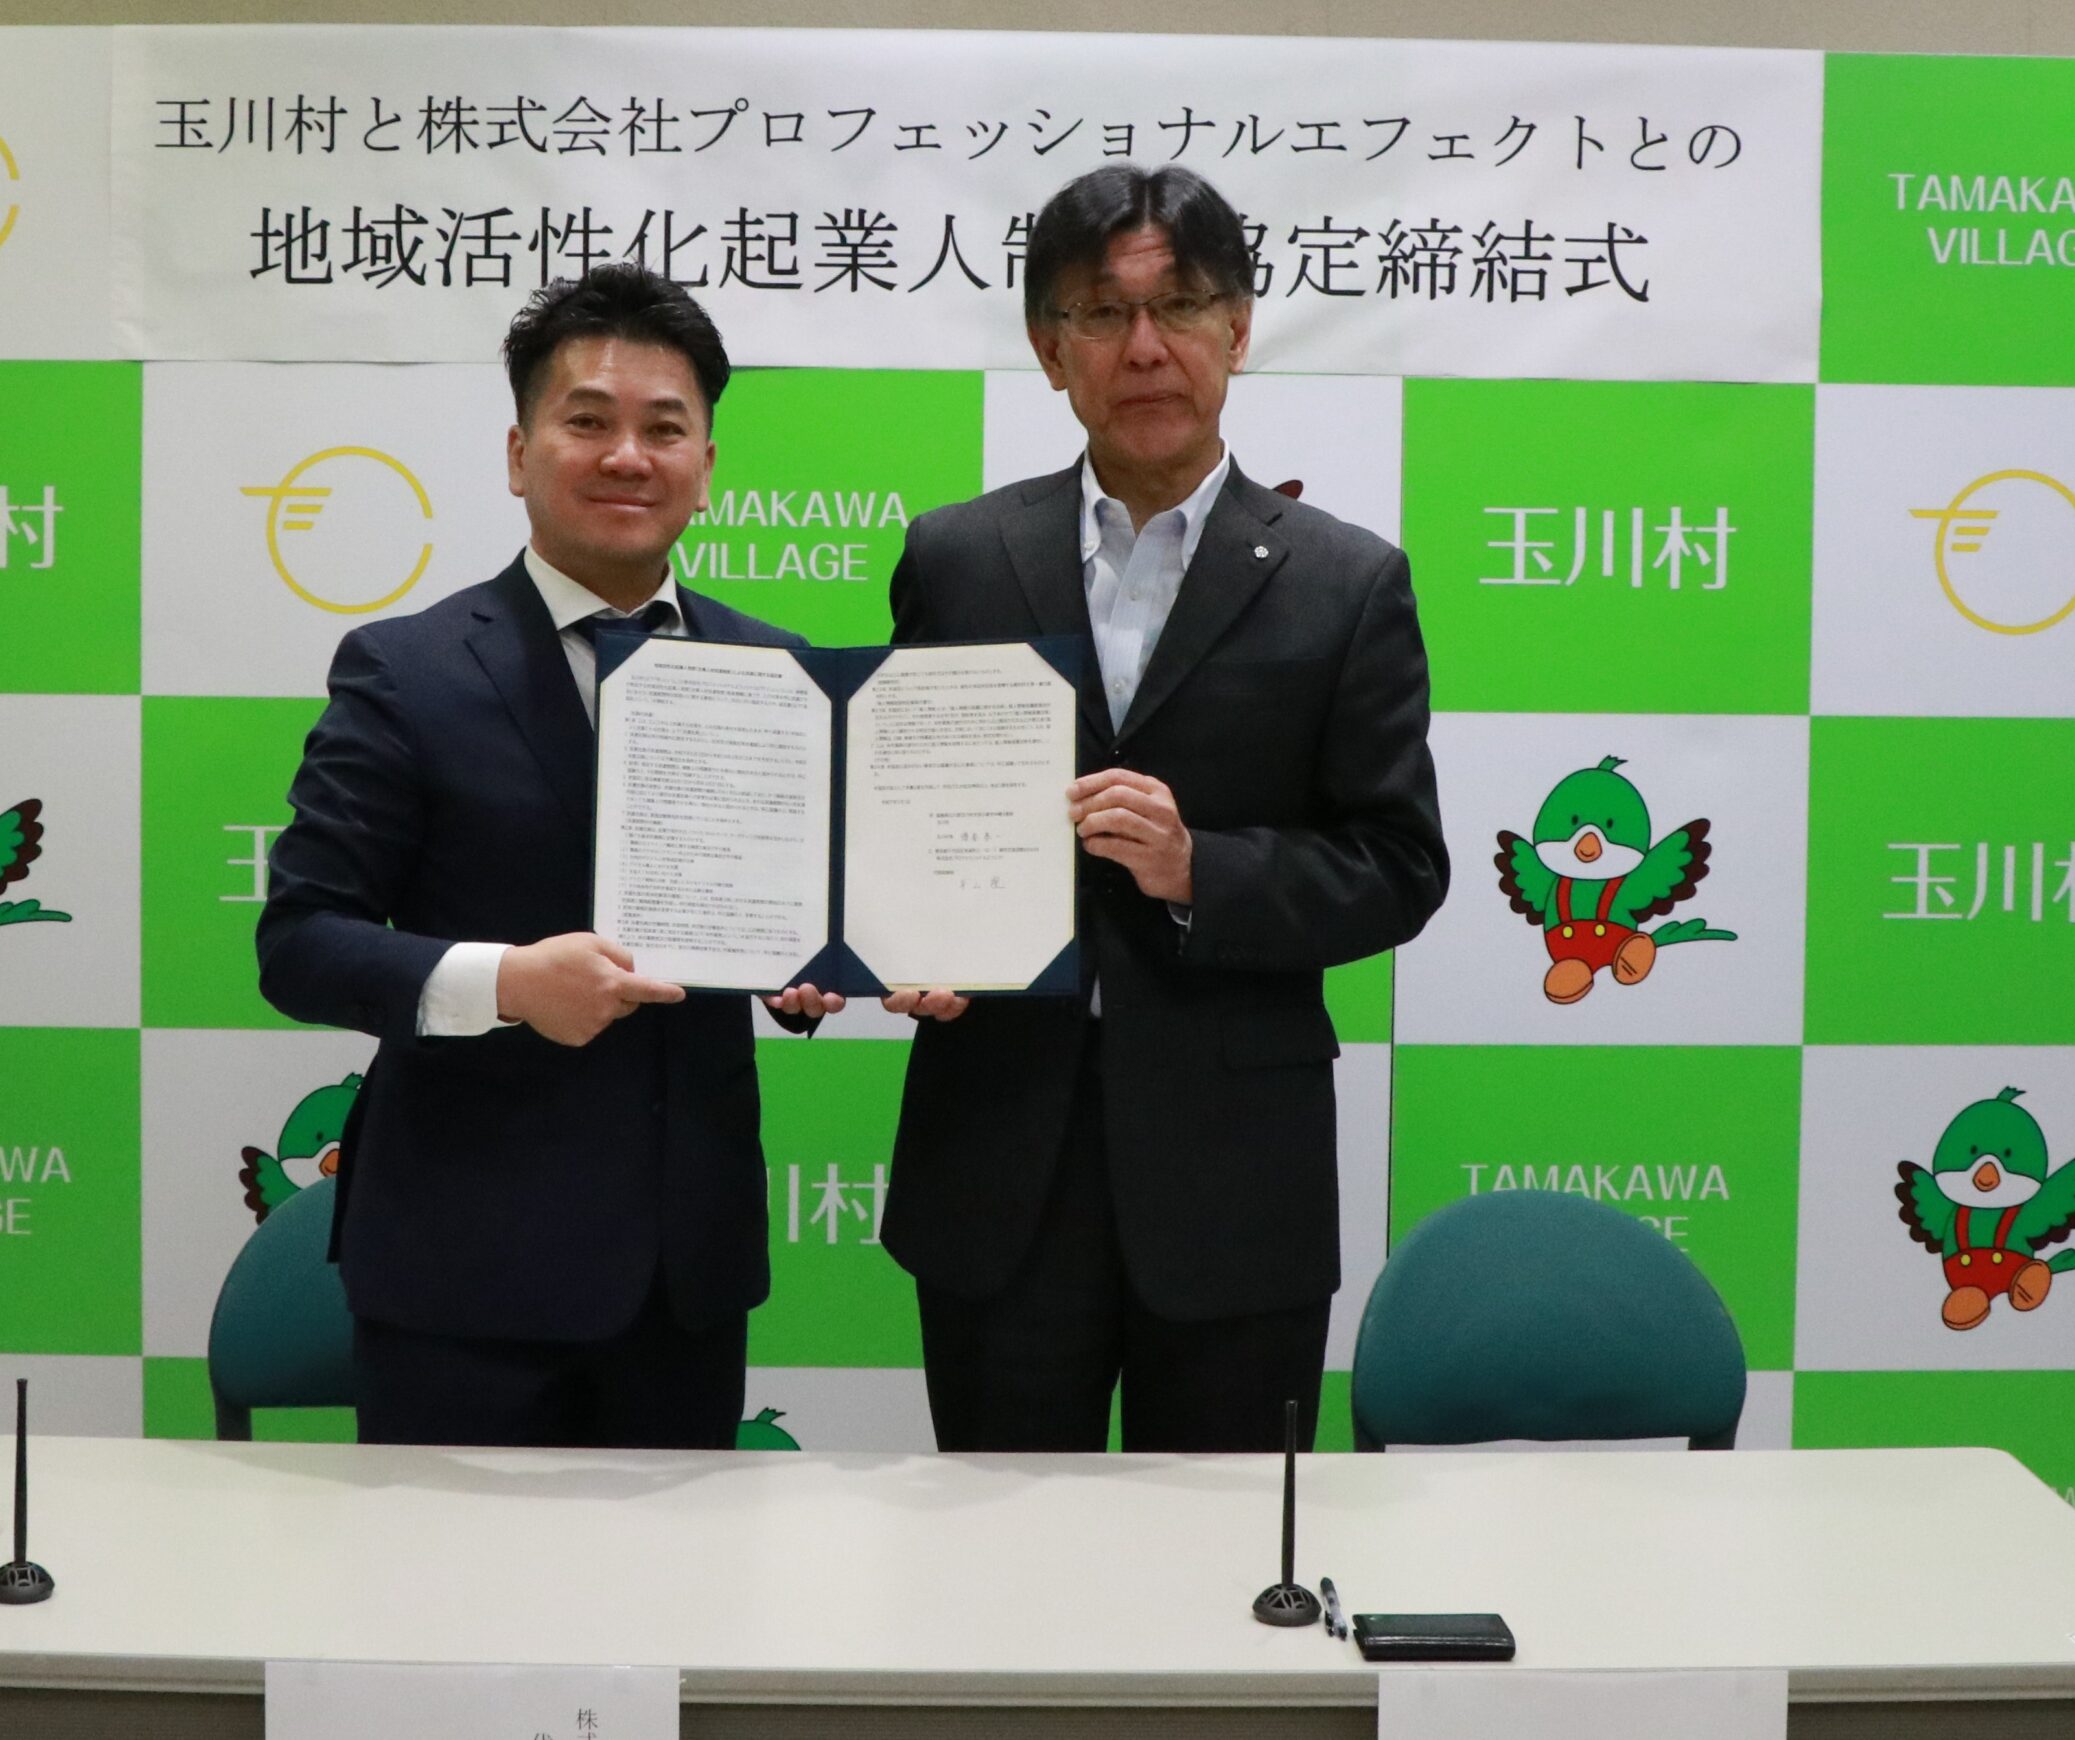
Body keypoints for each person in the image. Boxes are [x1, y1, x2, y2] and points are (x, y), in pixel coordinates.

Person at [877, 165, 1448, 1454]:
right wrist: (896, 937)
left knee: (1226, 1553)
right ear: (1049, 350)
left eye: (1180, 306)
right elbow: (906, 815)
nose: (1144, 346)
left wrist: (1203, 871)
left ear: (1237, 330)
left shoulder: (1346, 582)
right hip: (997, 1164)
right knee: (993, 1547)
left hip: (1234, 1178)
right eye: (1100, 312)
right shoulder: (955, 558)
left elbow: (1398, 864)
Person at [257, 264, 839, 1450]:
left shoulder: (774, 672)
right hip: (461, 1270)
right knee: (452, 1576)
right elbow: (302, 943)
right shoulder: (406, 671)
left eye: (663, 428)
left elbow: (782, 916)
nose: (628, 455)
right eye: (588, 421)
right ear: (520, 454)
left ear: (706, 465)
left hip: (682, 1274)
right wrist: (510, 984)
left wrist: (810, 962)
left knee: (672, 1566)